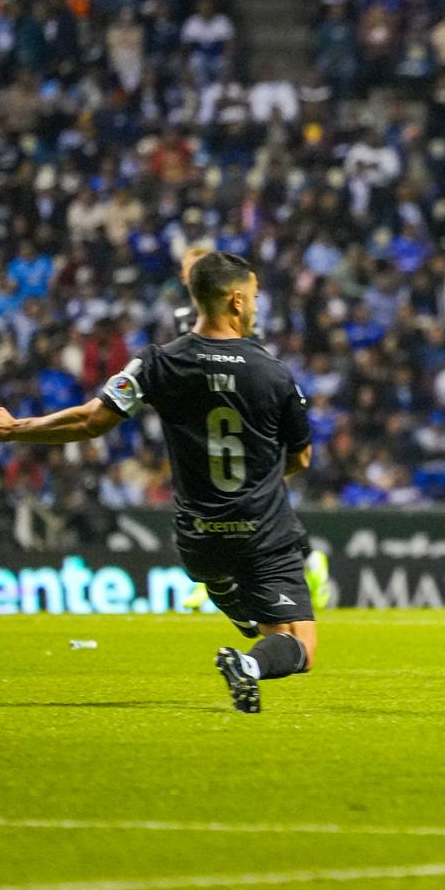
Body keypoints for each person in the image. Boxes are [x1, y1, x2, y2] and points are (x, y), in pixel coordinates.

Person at [0, 253, 315, 714]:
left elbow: (90, 421)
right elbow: (300, 456)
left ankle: (221, 587)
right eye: (256, 299)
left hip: (198, 534)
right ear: (237, 299)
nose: (257, 309)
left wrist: (15, 428)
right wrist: (264, 478)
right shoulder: (273, 372)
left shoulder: (157, 363)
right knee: (299, 644)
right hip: (261, 531)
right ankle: (246, 665)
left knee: (218, 568)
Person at [175, 245, 332, 615]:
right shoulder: (183, 315)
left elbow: (248, 352)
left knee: (259, 493)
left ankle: (303, 562)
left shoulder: (238, 309)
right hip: (210, 414)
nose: (186, 273)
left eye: (192, 267)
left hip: (246, 406)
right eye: (185, 267)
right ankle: (219, 578)